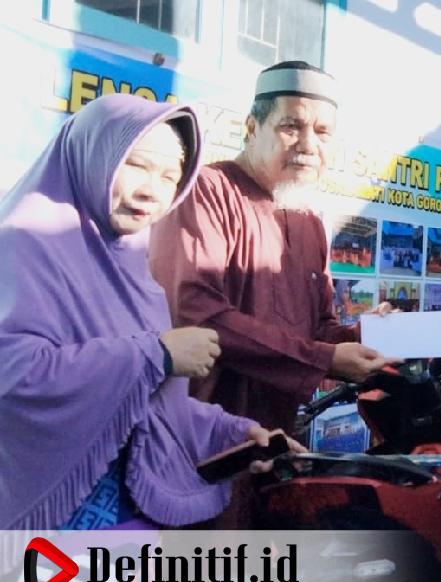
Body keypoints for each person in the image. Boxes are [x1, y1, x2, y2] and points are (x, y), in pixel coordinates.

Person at [0, 94, 290, 532]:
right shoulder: (21, 248)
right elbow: (14, 376)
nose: (152, 191)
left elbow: (144, 402)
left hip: (126, 528)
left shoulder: (134, 267)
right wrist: (156, 354)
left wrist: (231, 432)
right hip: (50, 525)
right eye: (136, 165)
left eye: (170, 176)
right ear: (92, 157)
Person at [149, 60, 390, 432]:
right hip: (197, 435)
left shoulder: (309, 220)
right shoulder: (206, 191)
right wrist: (324, 359)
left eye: (323, 132)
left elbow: (318, 329)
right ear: (251, 128)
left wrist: (363, 336)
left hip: (274, 437)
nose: (308, 145)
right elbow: (197, 312)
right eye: (291, 126)